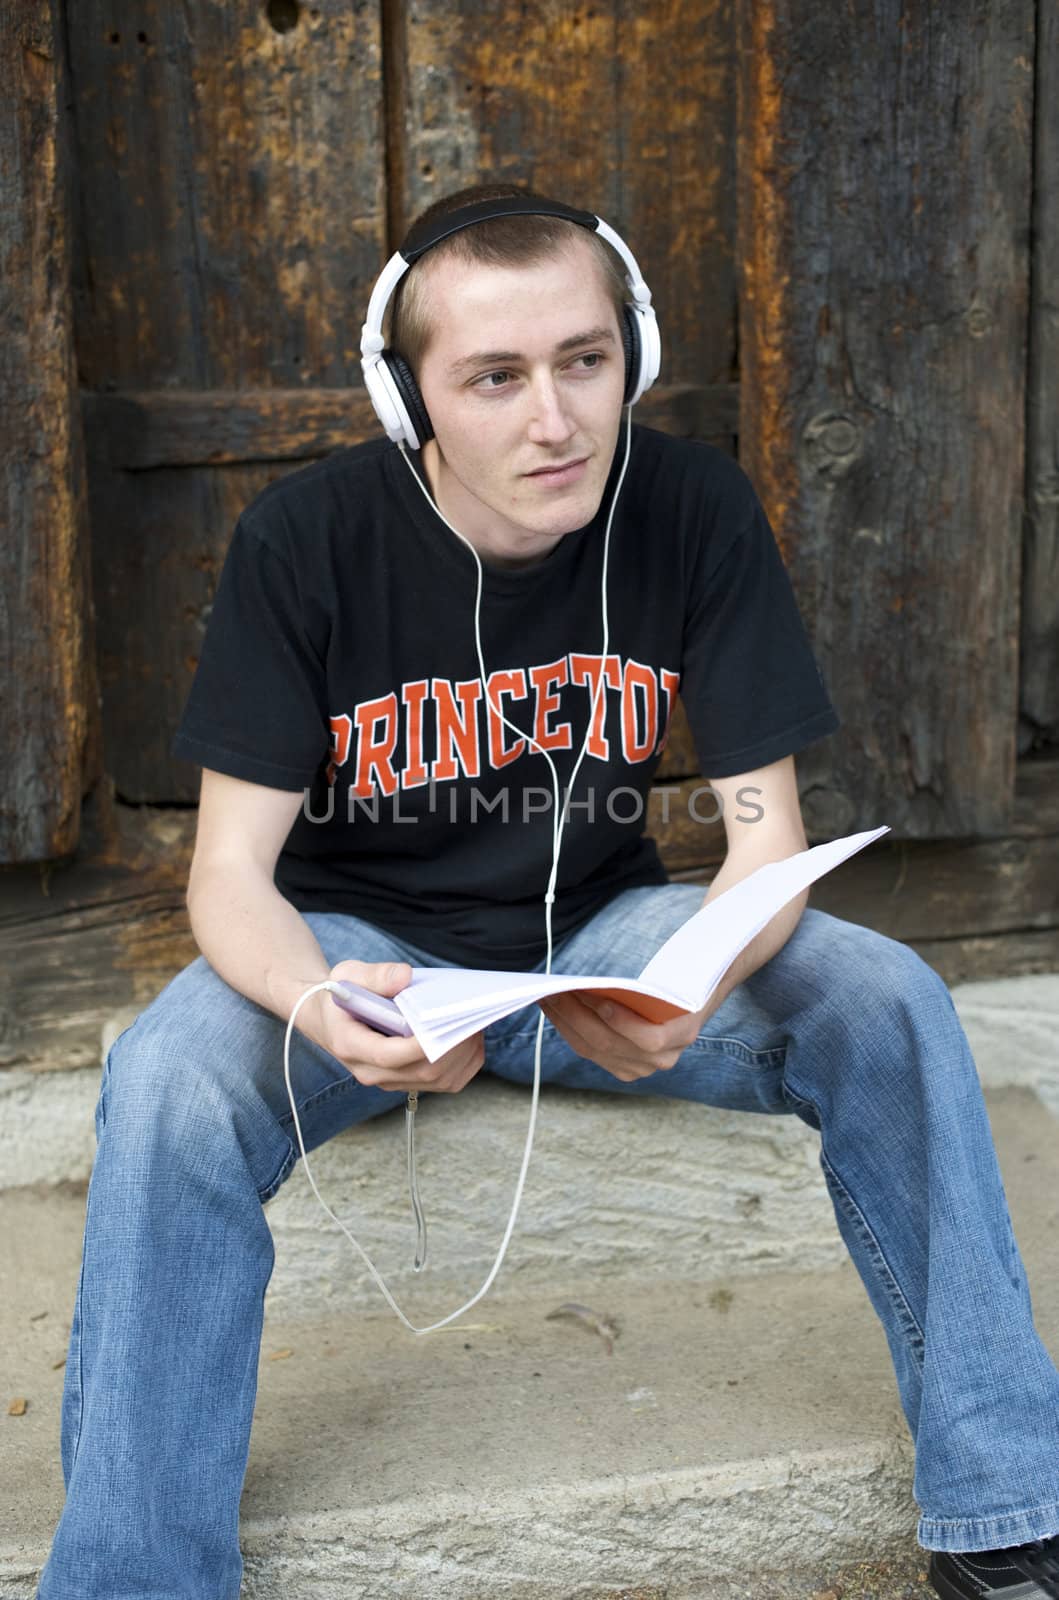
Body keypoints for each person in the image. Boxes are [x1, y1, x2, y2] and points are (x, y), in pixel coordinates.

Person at [37, 184, 1059, 1600]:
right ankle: (137, 1580)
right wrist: (319, 1000)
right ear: (409, 400)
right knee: (165, 1079)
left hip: (603, 932)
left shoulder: (690, 504)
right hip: (368, 952)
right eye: (496, 378)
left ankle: (1005, 1510)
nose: (556, 420)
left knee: (885, 997)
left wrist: (683, 981)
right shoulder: (306, 540)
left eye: (585, 361)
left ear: (629, 349)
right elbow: (229, 878)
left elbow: (765, 838)